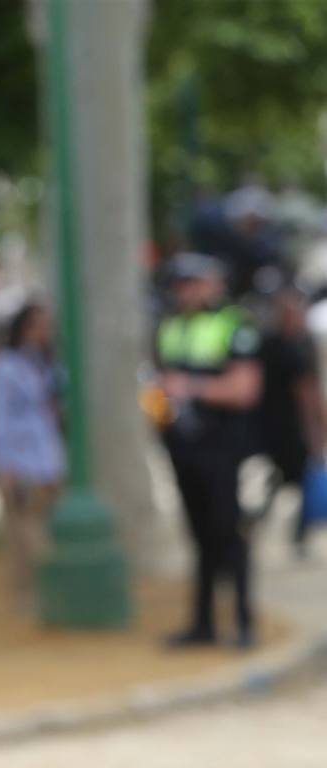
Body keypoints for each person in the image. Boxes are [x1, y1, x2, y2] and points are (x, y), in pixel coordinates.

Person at [155, 253, 262, 648]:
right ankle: (203, 625)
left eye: (194, 282)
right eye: (181, 284)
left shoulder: (234, 325)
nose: (186, 291)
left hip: (223, 448)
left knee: (229, 532)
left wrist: (193, 388)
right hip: (183, 447)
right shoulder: (169, 327)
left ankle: (244, 622)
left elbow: (245, 389)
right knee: (199, 538)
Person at [0, 301, 65, 611]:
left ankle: (47, 598)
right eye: (36, 325)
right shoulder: (7, 367)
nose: (42, 332)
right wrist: (5, 465)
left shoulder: (48, 364)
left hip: (48, 461)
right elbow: (0, 419)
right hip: (22, 463)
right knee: (26, 537)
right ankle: (31, 600)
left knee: (46, 532)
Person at [255, 282, 326, 552]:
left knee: (295, 479)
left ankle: (299, 531)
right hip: (276, 424)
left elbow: (310, 391)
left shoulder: (300, 343)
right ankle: (285, 526)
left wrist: (316, 429)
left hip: (294, 427)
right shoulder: (274, 343)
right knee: (287, 477)